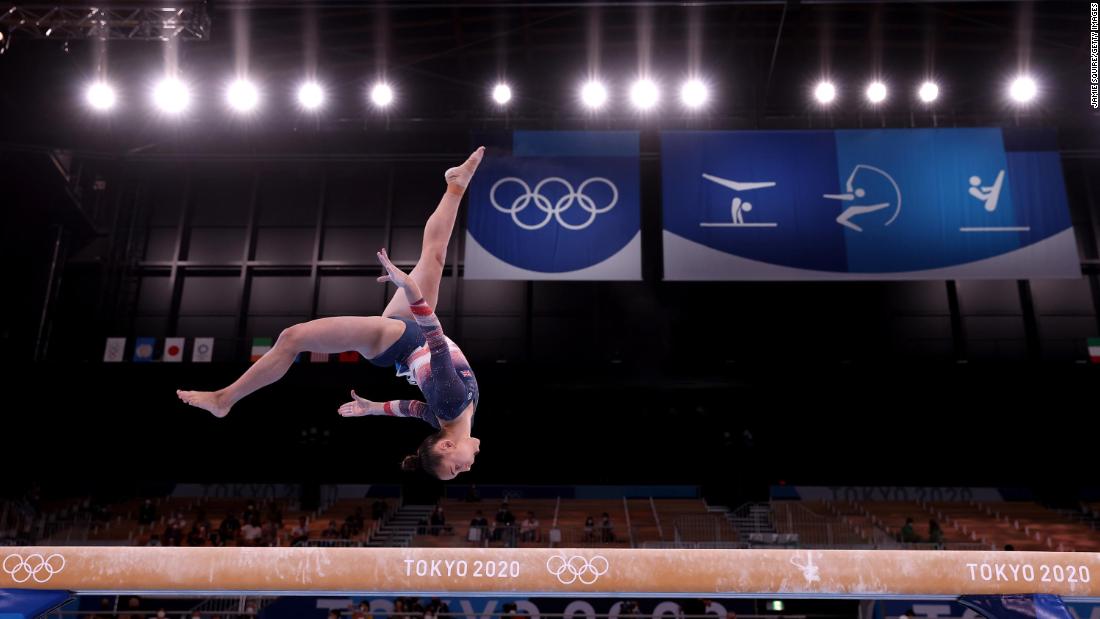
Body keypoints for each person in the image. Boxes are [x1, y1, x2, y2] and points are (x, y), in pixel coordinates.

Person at [178, 148, 486, 481]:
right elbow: (410, 409)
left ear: (446, 448)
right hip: (408, 338)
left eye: (456, 468)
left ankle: (224, 399)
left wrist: (410, 290)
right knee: (434, 256)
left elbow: (437, 341)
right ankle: (456, 185)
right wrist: (373, 409)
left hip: (399, 341)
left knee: (292, 338)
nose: (467, 467)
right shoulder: (450, 418)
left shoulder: (452, 405)